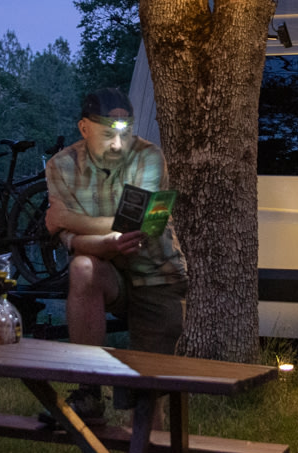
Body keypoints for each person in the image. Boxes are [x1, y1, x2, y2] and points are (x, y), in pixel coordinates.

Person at [43, 87, 189, 422]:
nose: (118, 145)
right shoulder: (61, 166)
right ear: (84, 128)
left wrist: (66, 218)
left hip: (157, 275)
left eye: (125, 135)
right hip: (108, 269)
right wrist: (104, 241)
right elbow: (75, 243)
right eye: (108, 135)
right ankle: (89, 392)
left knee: (148, 392)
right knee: (82, 267)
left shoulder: (149, 157)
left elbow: (135, 225)